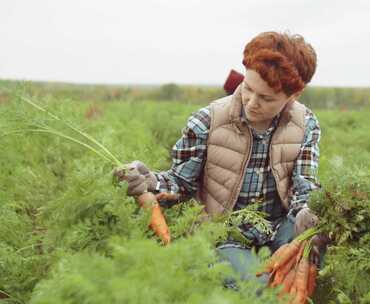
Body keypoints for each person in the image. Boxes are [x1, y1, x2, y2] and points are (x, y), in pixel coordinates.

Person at [118, 31, 329, 287]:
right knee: (259, 289)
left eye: (266, 98)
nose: (251, 102)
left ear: (294, 95)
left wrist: (307, 215)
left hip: (279, 227)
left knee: (310, 264)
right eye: (248, 89)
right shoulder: (208, 121)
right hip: (224, 233)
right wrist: (150, 181)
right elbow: (181, 184)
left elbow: (304, 185)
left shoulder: (306, 124)